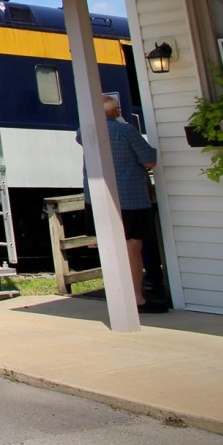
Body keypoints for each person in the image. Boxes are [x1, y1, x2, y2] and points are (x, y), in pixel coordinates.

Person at [79, 94, 164, 313]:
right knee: (132, 248)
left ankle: (116, 296)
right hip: (130, 199)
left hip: (97, 198)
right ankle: (136, 298)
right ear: (115, 112)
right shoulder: (126, 131)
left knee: (110, 247)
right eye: (117, 108)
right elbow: (149, 160)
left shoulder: (84, 133)